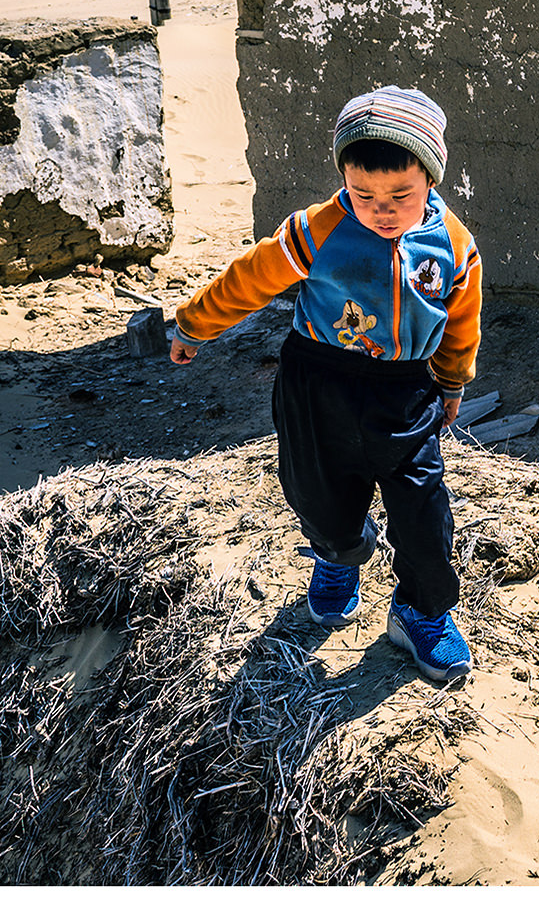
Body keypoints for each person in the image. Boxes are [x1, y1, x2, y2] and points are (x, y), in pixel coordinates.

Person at [170, 86, 483, 684]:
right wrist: (194, 325)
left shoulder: (453, 245)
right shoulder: (316, 230)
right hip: (318, 380)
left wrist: (451, 382)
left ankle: (421, 611)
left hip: (404, 389)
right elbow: (247, 281)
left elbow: (460, 318)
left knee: (423, 510)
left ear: (431, 181)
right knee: (317, 492)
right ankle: (339, 557)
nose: (381, 209)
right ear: (343, 178)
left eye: (401, 196)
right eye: (363, 194)